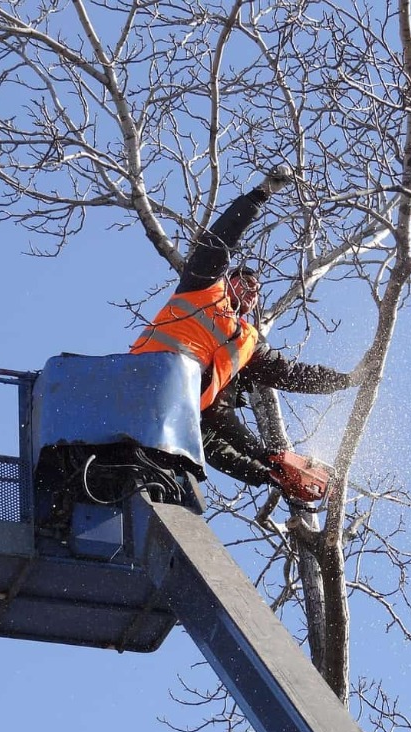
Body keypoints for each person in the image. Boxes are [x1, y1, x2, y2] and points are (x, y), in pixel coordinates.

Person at [130, 165, 363, 489]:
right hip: (139, 382)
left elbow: (286, 378)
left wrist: (346, 381)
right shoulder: (202, 288)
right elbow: (219, 241)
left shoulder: (242, 345)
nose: (253, 291)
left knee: (178, 477)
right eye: (246, 282)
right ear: (227, 281)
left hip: (166, 418)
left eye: (258, 289)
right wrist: (259, 196)